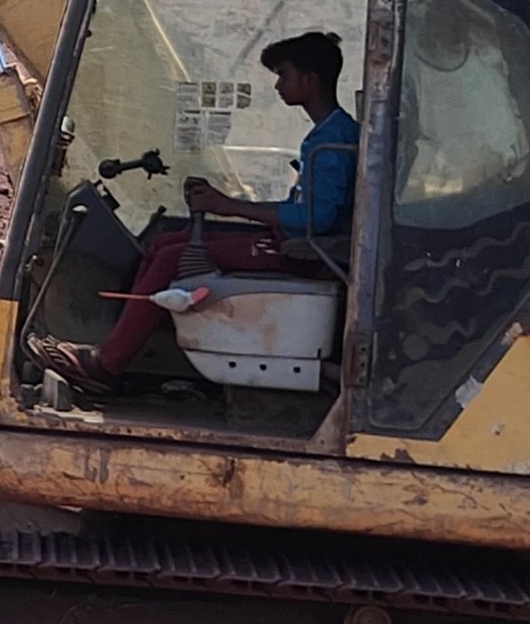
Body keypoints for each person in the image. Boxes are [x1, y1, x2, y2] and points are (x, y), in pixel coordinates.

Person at [31, 30, 357, 394]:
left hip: (307, 256)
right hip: (295, 244)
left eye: (284, 75)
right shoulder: (329, 133)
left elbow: (317, 220)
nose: (279, 85)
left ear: (310, 80)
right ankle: (122, 348)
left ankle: (107, 366)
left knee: (174, 257)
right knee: (166, 242)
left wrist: (227, 206)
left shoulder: (333, 142)